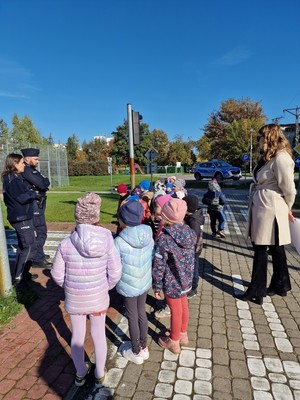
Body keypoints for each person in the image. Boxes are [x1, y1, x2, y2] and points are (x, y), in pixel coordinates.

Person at [51, 193, 122, 387]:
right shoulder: (108, 241)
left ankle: (80, 372)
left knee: (77, 335)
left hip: (75, 299)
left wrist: (70, 287)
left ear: (77, 216)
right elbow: (115, 272)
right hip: (98, 297)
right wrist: (104, 287)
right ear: (96, 216)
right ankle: (99, 373)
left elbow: (56, 274)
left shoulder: (66, 244)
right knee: (99, 333)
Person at [236, 124, 296, 305]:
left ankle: (257, 289)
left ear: (269, 137)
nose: (259, 140)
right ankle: (281, 284)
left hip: (271, 207)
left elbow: (289, 188)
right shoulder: (269, 157)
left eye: (261, 137)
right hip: (263, 205)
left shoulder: (281, 158)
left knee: (261, 248)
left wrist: (288, 207)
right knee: (274, 247)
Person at [152, 198, 196, 354]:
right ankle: (182, 334)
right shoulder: (190, 233)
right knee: (183, 306)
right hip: (186, 280)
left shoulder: (164, 238)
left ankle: (174, 341)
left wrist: (157, 285)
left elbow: (159, 265)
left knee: (175, 310)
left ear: (166, 217)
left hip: (172, 282)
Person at [114, 201, 154, 364]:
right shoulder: (148, 235)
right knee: (141, 312)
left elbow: (115, 265)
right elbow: (151, 257)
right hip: (143, 281)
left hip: (128, 284)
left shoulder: (119, 242)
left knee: (132, 315)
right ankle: (144, 346)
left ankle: (136, 351)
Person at [1, 153, 40, 285]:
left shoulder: (14, 178)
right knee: (30, 247)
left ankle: (22, 274)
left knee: (22, 246)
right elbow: (22, 198)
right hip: (20, 217)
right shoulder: (12, 180)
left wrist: (30, 192)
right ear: (14, 164)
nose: (24, 165)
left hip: (21, 216)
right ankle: (19, 279)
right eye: (22, 163)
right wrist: (34, 194)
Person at [21, 148, 51, 268]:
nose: (37, 161)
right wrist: (44, 182)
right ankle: (38, 258)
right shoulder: (28, 171)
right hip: (34, 205)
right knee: (41, 231)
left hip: (38, 203)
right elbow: (43, 184)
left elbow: (45, 182)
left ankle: (39, 254)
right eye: (36, 159)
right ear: (27, 159)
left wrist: (44, 182)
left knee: (41, 231)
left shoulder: (32, 170)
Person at [183, 195, 205, 298]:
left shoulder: (194, 220)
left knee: (194, 268)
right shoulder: (193, 216)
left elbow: (194, 237)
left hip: (194, 249)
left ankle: (193, 287)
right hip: (195, 248)